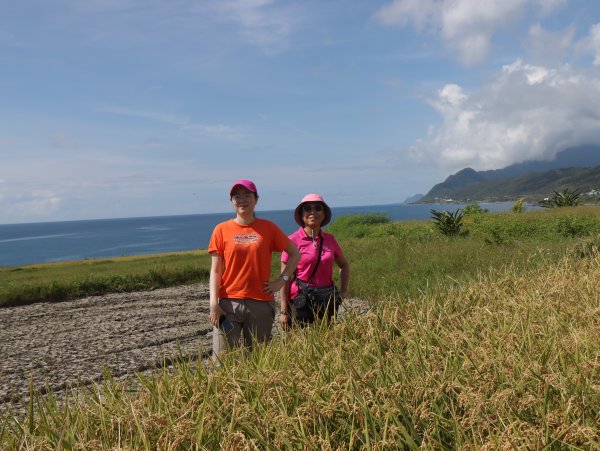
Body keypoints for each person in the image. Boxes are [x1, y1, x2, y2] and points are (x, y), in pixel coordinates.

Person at [208, 179, 301, 359]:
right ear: (232, 202)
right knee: (222, 359)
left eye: (247, 195)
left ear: (256, 199)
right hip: (228, 303)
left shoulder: (268, 228)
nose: (242, 200)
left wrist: (281, 280)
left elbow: (295, 254)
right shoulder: (221, 229)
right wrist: (214, 303)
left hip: (260, 302)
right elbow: (216, 270)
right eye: (237, 196)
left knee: (258, 360)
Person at [280, 194, 349, 328]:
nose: (313, 212)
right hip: (301, 301)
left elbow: (344, 265)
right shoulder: (292, 240)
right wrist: (283, 311)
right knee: (298, 343)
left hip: (326, 299)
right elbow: (285, 277)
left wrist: (344, 290)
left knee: (326, 340)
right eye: (307, 209)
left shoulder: (329, 239)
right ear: (301, 214)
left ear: (323, 214)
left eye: (317, 208)